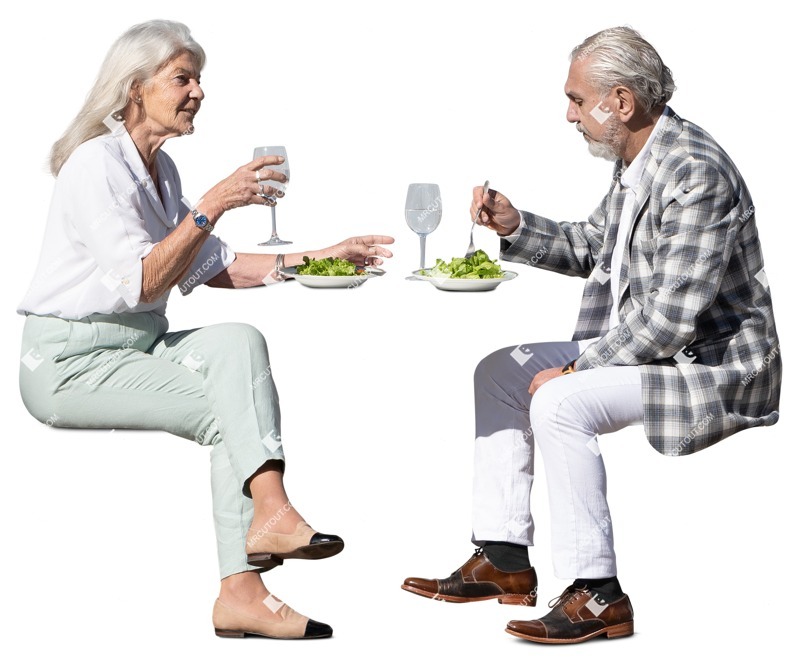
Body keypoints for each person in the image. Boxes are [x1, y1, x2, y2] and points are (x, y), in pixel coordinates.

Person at [401, 26, 780, 645]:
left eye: (577, 100)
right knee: (500, 371)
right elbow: (590, 247)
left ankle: (598, 593)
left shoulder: (695, 172)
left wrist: (578, 370)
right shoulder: (641, 159)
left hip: (709, 367)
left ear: (621, 102)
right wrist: (514, 226)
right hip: (656, 351)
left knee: (558, 400)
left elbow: (671, 318)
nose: (570, 115)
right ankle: (503, 557)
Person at [18, 19, 394, 640]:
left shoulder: (160, 171)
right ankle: (245, 582)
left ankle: (266, 525)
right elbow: (141, 281)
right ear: (135, 87)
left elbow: (214, 268)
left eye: (199, 80)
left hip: (135, 346)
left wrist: (325, 257)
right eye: (183, 79)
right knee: (230, 408)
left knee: (238, 341)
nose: (198, 92)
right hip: (67, 363)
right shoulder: (95, 165)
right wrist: (213, 203)